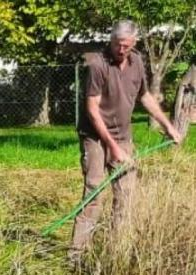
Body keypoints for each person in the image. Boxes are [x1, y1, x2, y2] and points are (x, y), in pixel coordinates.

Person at [70, 20, 182, 258]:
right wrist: (113, 147)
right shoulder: (98, 65)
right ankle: (76, 255)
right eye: (117, 45)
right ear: (111, 40)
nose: (121, 50)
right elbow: (92, 110)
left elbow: (145, 97)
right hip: (95, 137)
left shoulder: (137, 62)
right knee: (94, 192)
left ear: (134, 43)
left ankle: (116, 251)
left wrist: (168, 126)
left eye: (126, 46)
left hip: (123, 136)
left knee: (126, 195)